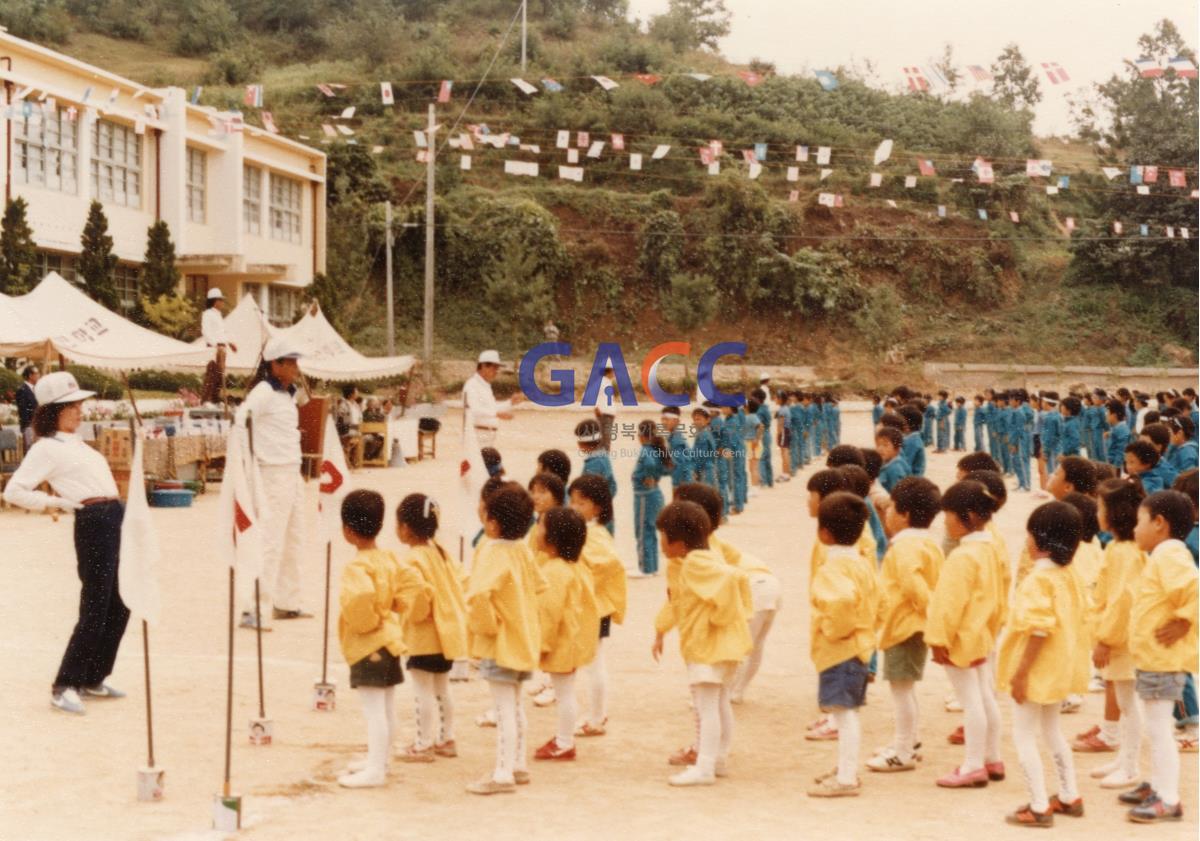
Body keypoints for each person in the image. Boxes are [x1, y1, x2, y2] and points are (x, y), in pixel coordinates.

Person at [3, 371, 129, 715]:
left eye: (79, 404)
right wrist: (55, 503)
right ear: (53, 411)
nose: (80, 411)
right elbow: (14, 490)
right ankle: (65, 684)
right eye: (72, 406)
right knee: (96, 604)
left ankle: (93, 676)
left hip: (115, 516)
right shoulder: (46, 447)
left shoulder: (77, 443)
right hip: (94, 524)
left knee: (121, 602)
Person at [997, 501, 1087, 827]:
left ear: (1041, 540)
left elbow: (1037, 628)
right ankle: (1068, 794)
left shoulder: (1038, 580)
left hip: (1035, 669)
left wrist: (1020, 674)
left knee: (1023, 735)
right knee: (1052, 731)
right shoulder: (1070, 575)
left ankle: (1037, 806)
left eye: (1030, 535)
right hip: (1060, 666)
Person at [652, 500, 752, 787]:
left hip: (708, 646)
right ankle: (717, 760)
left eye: (663, 538)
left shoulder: (696, 563)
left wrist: (723, 614)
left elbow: (732, 580)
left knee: (707, 707)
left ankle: (705, 768)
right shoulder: (706, 558)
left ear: (679, 543)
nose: (661, 544)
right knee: (720, 705)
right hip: (721, 645)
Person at [336, 490, 423, 788]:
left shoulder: (357, 567)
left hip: (368, 642)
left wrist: (369, 621)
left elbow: (360, 600)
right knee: (386, 706)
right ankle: (380, 760)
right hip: (390, 638)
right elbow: (413, 584)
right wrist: (395, 608)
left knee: (375, 711)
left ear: (348, 531)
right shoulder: (388, 558)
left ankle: (376, 769)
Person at [1121, 490, 1198, 823]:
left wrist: (1184, 621)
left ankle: (1168, 798)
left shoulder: (1170, 556)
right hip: (1154, 658)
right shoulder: (1163, 555)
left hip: (1163, 660)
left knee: (1159, 729)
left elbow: (1195, 589)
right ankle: (1157, 784)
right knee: (1157, 726)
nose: (1135, 529)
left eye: (1140, 521)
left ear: (1159, 524)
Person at [925, 480, 1006, 788]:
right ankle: (992, 757)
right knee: (985, 697)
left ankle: (973, 764)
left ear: (968, 516)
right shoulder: (990, 548)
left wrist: (937, 639)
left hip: (959, 637)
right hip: (982, 633)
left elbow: (948, 603)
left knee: (971, 701)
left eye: (948, 517)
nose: (945, 524)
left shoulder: (962, 556)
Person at [464, 484, 543, 795]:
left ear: (492, 522)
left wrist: (486, 629)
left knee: (503, 709)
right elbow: (540, 584)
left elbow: (479, 596)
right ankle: (518, 763)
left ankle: (502, 773)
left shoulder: (493, 552)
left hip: (501, 642)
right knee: (515, 704)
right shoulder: (522, 549)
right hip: (524, 637)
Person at [868, 477, 944, 774]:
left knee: (900, 689)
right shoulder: (925, 542)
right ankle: (908, 743)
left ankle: (902, 751)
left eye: (892, 509)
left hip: (906, 625)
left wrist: (930, 617)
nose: (886, 513)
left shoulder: (905, 547)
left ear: (906, 514)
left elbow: (915, 586)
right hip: (910, 623)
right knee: (905, 688)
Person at [234, 337, 310, 628]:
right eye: (289, 362)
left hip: (291, 470)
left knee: (294, 539)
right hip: (271, 473)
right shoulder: (263, 392)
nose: (294, 367)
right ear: (274, 365)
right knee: (269, 541)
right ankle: (253, 608)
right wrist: (249, 466)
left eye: (295, 362)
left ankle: (286, 601)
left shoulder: (287, 394)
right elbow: (242, 422)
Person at [807, 492, 878, 797]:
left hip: (841, 649)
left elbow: (842, 603)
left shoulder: (833, 568)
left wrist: (831, 629)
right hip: (859, 645)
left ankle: (847, 777)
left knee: (844, 714)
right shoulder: (863, 563)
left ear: (824, 533)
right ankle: (845, 768)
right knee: (846, 713)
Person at [395, 493, 467, 763]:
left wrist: (407, 612)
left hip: (424, 635)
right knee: (442, 688)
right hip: (446, 632)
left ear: (404, 528)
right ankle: (447, 738)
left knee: (422, 690)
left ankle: (423, 743)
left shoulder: (413, 559)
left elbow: (419, 599)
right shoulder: (439, 550)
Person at [1089, 478, 1148, 787]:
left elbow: (1122, 601)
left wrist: (1105, 639)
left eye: (1101, 507)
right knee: (1126, 701)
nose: (1098, 512)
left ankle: (1130, 765)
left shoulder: (1126, 552)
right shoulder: (1116, 547)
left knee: (1128, 703)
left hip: (1123, 639)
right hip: (1119, 636)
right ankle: (1124, 757)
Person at [531, 507, 599, 762]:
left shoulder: (555, 571)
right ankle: (564, 739)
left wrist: (541, 644)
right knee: (566, 692)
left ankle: (564, 741)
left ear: (553, 539)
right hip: (571, 638)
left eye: (540, 526)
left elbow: (549, 613)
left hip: (561, 641)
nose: (536, 531)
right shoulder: (573, 565)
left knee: (564, 694)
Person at [569, 475, 626, 737]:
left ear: (598, 507)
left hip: (593, 607)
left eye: (581, 503)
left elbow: (604, 565)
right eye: (572, 501)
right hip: (589, 605)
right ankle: (595, 713)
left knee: (593, 664)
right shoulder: (589, 532)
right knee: (590, 663)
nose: (574, 507)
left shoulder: (595, 534)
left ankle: (596, 716)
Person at [632, 419, 671, 576]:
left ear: (642, 435)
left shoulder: (647, 450)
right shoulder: (658, 449)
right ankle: (652, 566)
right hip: (654, 493)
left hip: (644, 496)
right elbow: (669, 468)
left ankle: (645, 568)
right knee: (651, 531)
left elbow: (649, 464)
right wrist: (656, 476)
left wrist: (649, 475)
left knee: (642, 531)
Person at [462, 350, 521, 446]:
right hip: (477, 435)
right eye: (494, 368)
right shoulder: (472, 385)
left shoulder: (485, 386)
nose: (496, 372)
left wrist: (510, 402)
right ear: (483, 366)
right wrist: (497, 414)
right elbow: (473, 410)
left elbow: (491, 408)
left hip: (488, 435)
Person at [576, 419, 616, 536]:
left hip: (595, 516)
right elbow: (613, 487)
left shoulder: (593, 463)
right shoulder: (604, 457)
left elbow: (587, 492)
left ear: (580, 444)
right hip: (606, 513)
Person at [200, 288, 238, 405]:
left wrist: (230, 343)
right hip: (214, 348)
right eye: (220, 300)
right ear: (215, 301)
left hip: (222, 348)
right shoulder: (207, 314)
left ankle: (214, 399)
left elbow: (222, 332)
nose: (222, 302)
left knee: (220, 376)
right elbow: (206, 331)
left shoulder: (218, 315)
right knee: (212, 374)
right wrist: (216, 345)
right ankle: (206, 401)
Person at [661, 407, 692, 491]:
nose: (663, 422)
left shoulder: (676, 440)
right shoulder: (673, 437)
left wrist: (677, 486)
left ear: (676, 421)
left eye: (666, 419)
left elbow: (679, 465)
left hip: (683, 483)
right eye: (662, 419)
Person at [15, 365, 39, 450]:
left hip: (37, 425)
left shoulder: (35, 389)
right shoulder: (22, 390)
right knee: (30, 450)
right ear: (30, 376)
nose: (38, 376)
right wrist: (27, 427)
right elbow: (23, 410)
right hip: (29, 426)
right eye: (36, 373)